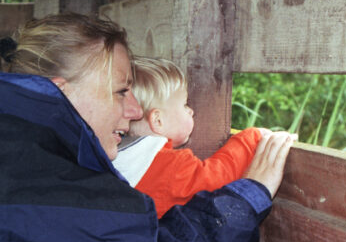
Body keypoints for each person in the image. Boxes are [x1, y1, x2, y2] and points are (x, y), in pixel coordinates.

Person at [0, 12, 296, 242]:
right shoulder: (43, 184)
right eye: (122, 90)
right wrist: (249, 195)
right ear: (63, 89)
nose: (134, 110)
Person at [113, 57, 291, 219]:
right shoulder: (168, 167)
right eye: (184, 105)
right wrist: (250, 139)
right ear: (158, 120)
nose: (191, 111)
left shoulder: (118, 157)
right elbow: (218, 177)